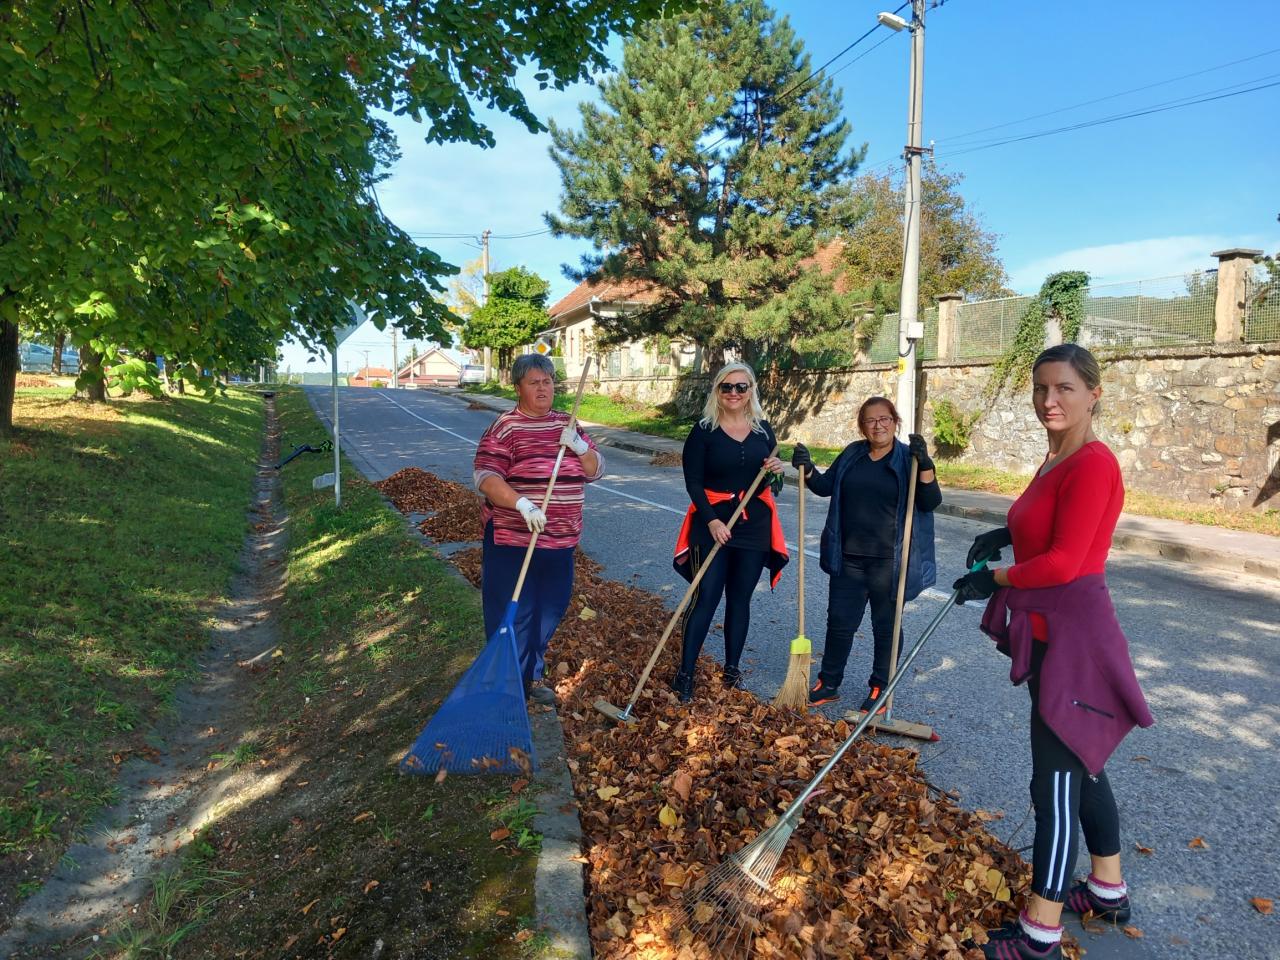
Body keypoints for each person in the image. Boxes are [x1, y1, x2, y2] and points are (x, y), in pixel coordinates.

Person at [952, 344, 1154, 960]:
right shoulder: (1055, 456)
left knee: (1056, 781)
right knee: (1082, 759)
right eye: (1041, 388)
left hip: (1075, 639)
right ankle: (1108, 891)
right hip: (1051, 633)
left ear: (1094, 393)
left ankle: (1040, 932)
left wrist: (996, 579)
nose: (1049, 400)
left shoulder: (1092, 463)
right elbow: (1050, 527)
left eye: (1064, 388)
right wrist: (1006, 532)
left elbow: (1066, 562)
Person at [791, 397, 940, 712]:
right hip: (849, 559)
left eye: (884, 419)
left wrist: (926, 465)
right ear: (862, 426)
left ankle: (880, 688)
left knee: (885, 627)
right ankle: (828, 683)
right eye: (870, 420)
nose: (878, 425)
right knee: (839, 622)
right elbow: (824, 486)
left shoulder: (909, 459)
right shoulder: (853, 454)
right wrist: (808, 469)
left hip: (890, 562)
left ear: (894, 421)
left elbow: (930, 502)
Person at [473, 354, 604, 705]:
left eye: (547, 382)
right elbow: (486, 477)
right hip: (513, 539)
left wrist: (579, 447)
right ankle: (505, 684)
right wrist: (521, 504)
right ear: (518, 387)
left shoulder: (568, 424)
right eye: (534, 382)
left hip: (561, 538)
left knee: (549, 610)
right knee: (513, 611)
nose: (543, 388)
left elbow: (595, 470)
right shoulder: (506, 427)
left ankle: (530, 676)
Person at [671, 362, 788, 701]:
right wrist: (712, 521)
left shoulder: (763, 431)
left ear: (751, 391)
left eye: (741, 386)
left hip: (753, 527)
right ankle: (685, 673)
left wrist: (777, 470)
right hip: (711, 524)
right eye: (727, 386)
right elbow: (693, 483)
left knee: (740, 598)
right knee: (706, 596)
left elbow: (772, 484)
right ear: (717, 391)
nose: (734, 392)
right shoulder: (703, 431)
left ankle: (732, 671)